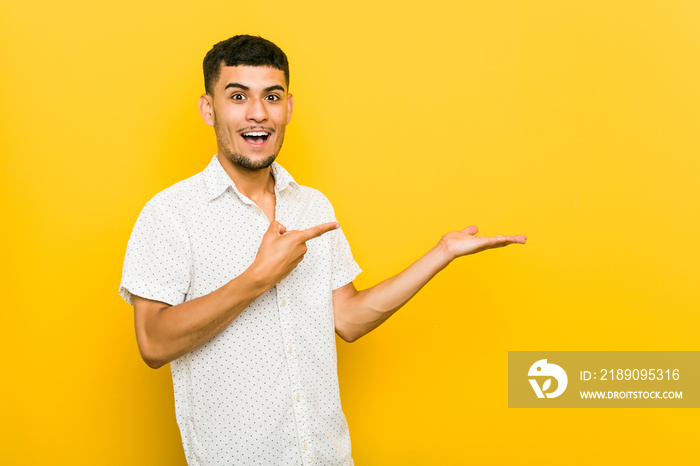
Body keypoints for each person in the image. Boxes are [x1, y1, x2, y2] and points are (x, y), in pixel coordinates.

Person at [119, 34, 526, 466]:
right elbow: (152, 342)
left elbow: (348, 317)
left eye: (271, 97)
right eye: (237, 96)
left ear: (288, 107)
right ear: (208, 108)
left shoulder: (312, 205)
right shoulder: (170, 214)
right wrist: (257, 278)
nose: (258, 113)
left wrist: (441, 252)